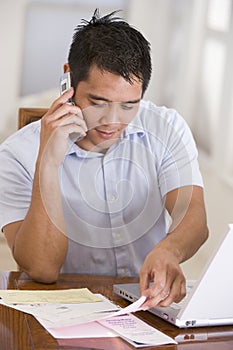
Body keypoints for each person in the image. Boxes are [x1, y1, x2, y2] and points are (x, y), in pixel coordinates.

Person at [0, 9, 208, 309]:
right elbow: (42, 270)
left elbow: (195, 219)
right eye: (98, 103)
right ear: (67, 78)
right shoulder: (16, 153)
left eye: (128, 105)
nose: (112, 121)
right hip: (64, 308)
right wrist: (48, 163)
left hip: (147, 306)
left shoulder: (166, 127)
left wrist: (169, 251)